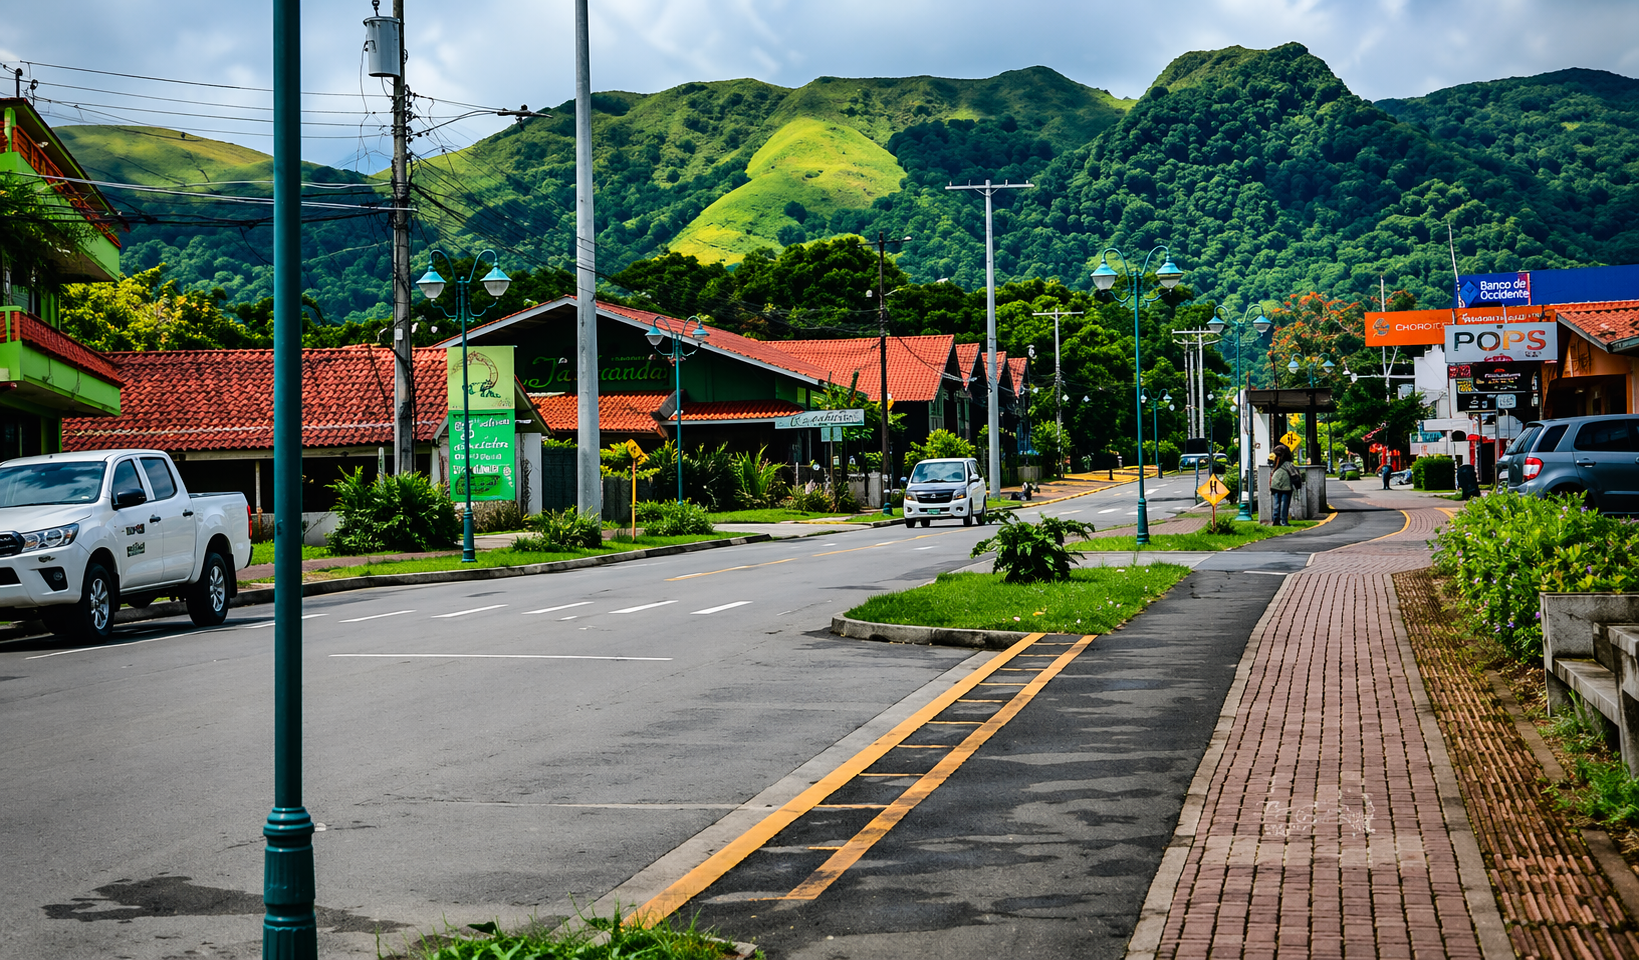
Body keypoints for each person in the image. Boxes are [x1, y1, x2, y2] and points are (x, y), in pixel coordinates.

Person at [1269, 444, 1301, 526]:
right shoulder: (1288, 464)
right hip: (1286, 486)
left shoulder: (1275, 463)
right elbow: (1294, 474)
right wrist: (1298, 485)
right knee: (1284, 504)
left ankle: (1275, 520)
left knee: (1276, 503)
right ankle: (1284, 521)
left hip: (1275, 485)